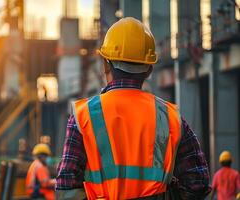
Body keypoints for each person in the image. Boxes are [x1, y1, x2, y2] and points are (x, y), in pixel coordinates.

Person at [56, 17, 211, 199]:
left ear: (106, 64)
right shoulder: (170, 118)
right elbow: (198, 184)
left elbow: (66, 188)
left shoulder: (84, 116)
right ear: (149, 70)